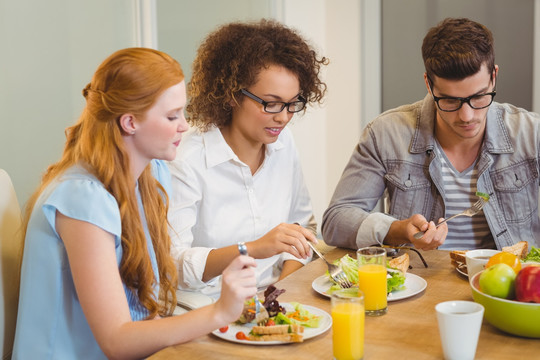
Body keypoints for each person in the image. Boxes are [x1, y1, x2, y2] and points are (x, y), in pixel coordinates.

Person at [13, 48, 257, 359]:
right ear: (130, 122)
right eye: (172, 116)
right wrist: (220, 312)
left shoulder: (149, 175)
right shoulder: (82, 200)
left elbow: (141, 312)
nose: (184, 125)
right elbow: (117, 341)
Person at [322, 17, 540, 251]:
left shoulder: (531, 134)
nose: (466, 116)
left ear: (494, 77)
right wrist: (398, 229)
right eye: (449, 100)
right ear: (428, 84)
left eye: (478, 97)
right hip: (422, 283)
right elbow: (335, 221)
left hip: (509, 284)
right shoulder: (386, 134)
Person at [168, 19, 327, 298]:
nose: (284, 117)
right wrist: (251, 248)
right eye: (271, 103)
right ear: (231, 95)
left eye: (293, 104)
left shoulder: (283, 143)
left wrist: (278, 294)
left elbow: (302, 228)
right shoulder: (186, 159)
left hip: (276, 297)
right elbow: (173, 266)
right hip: (207, 308)